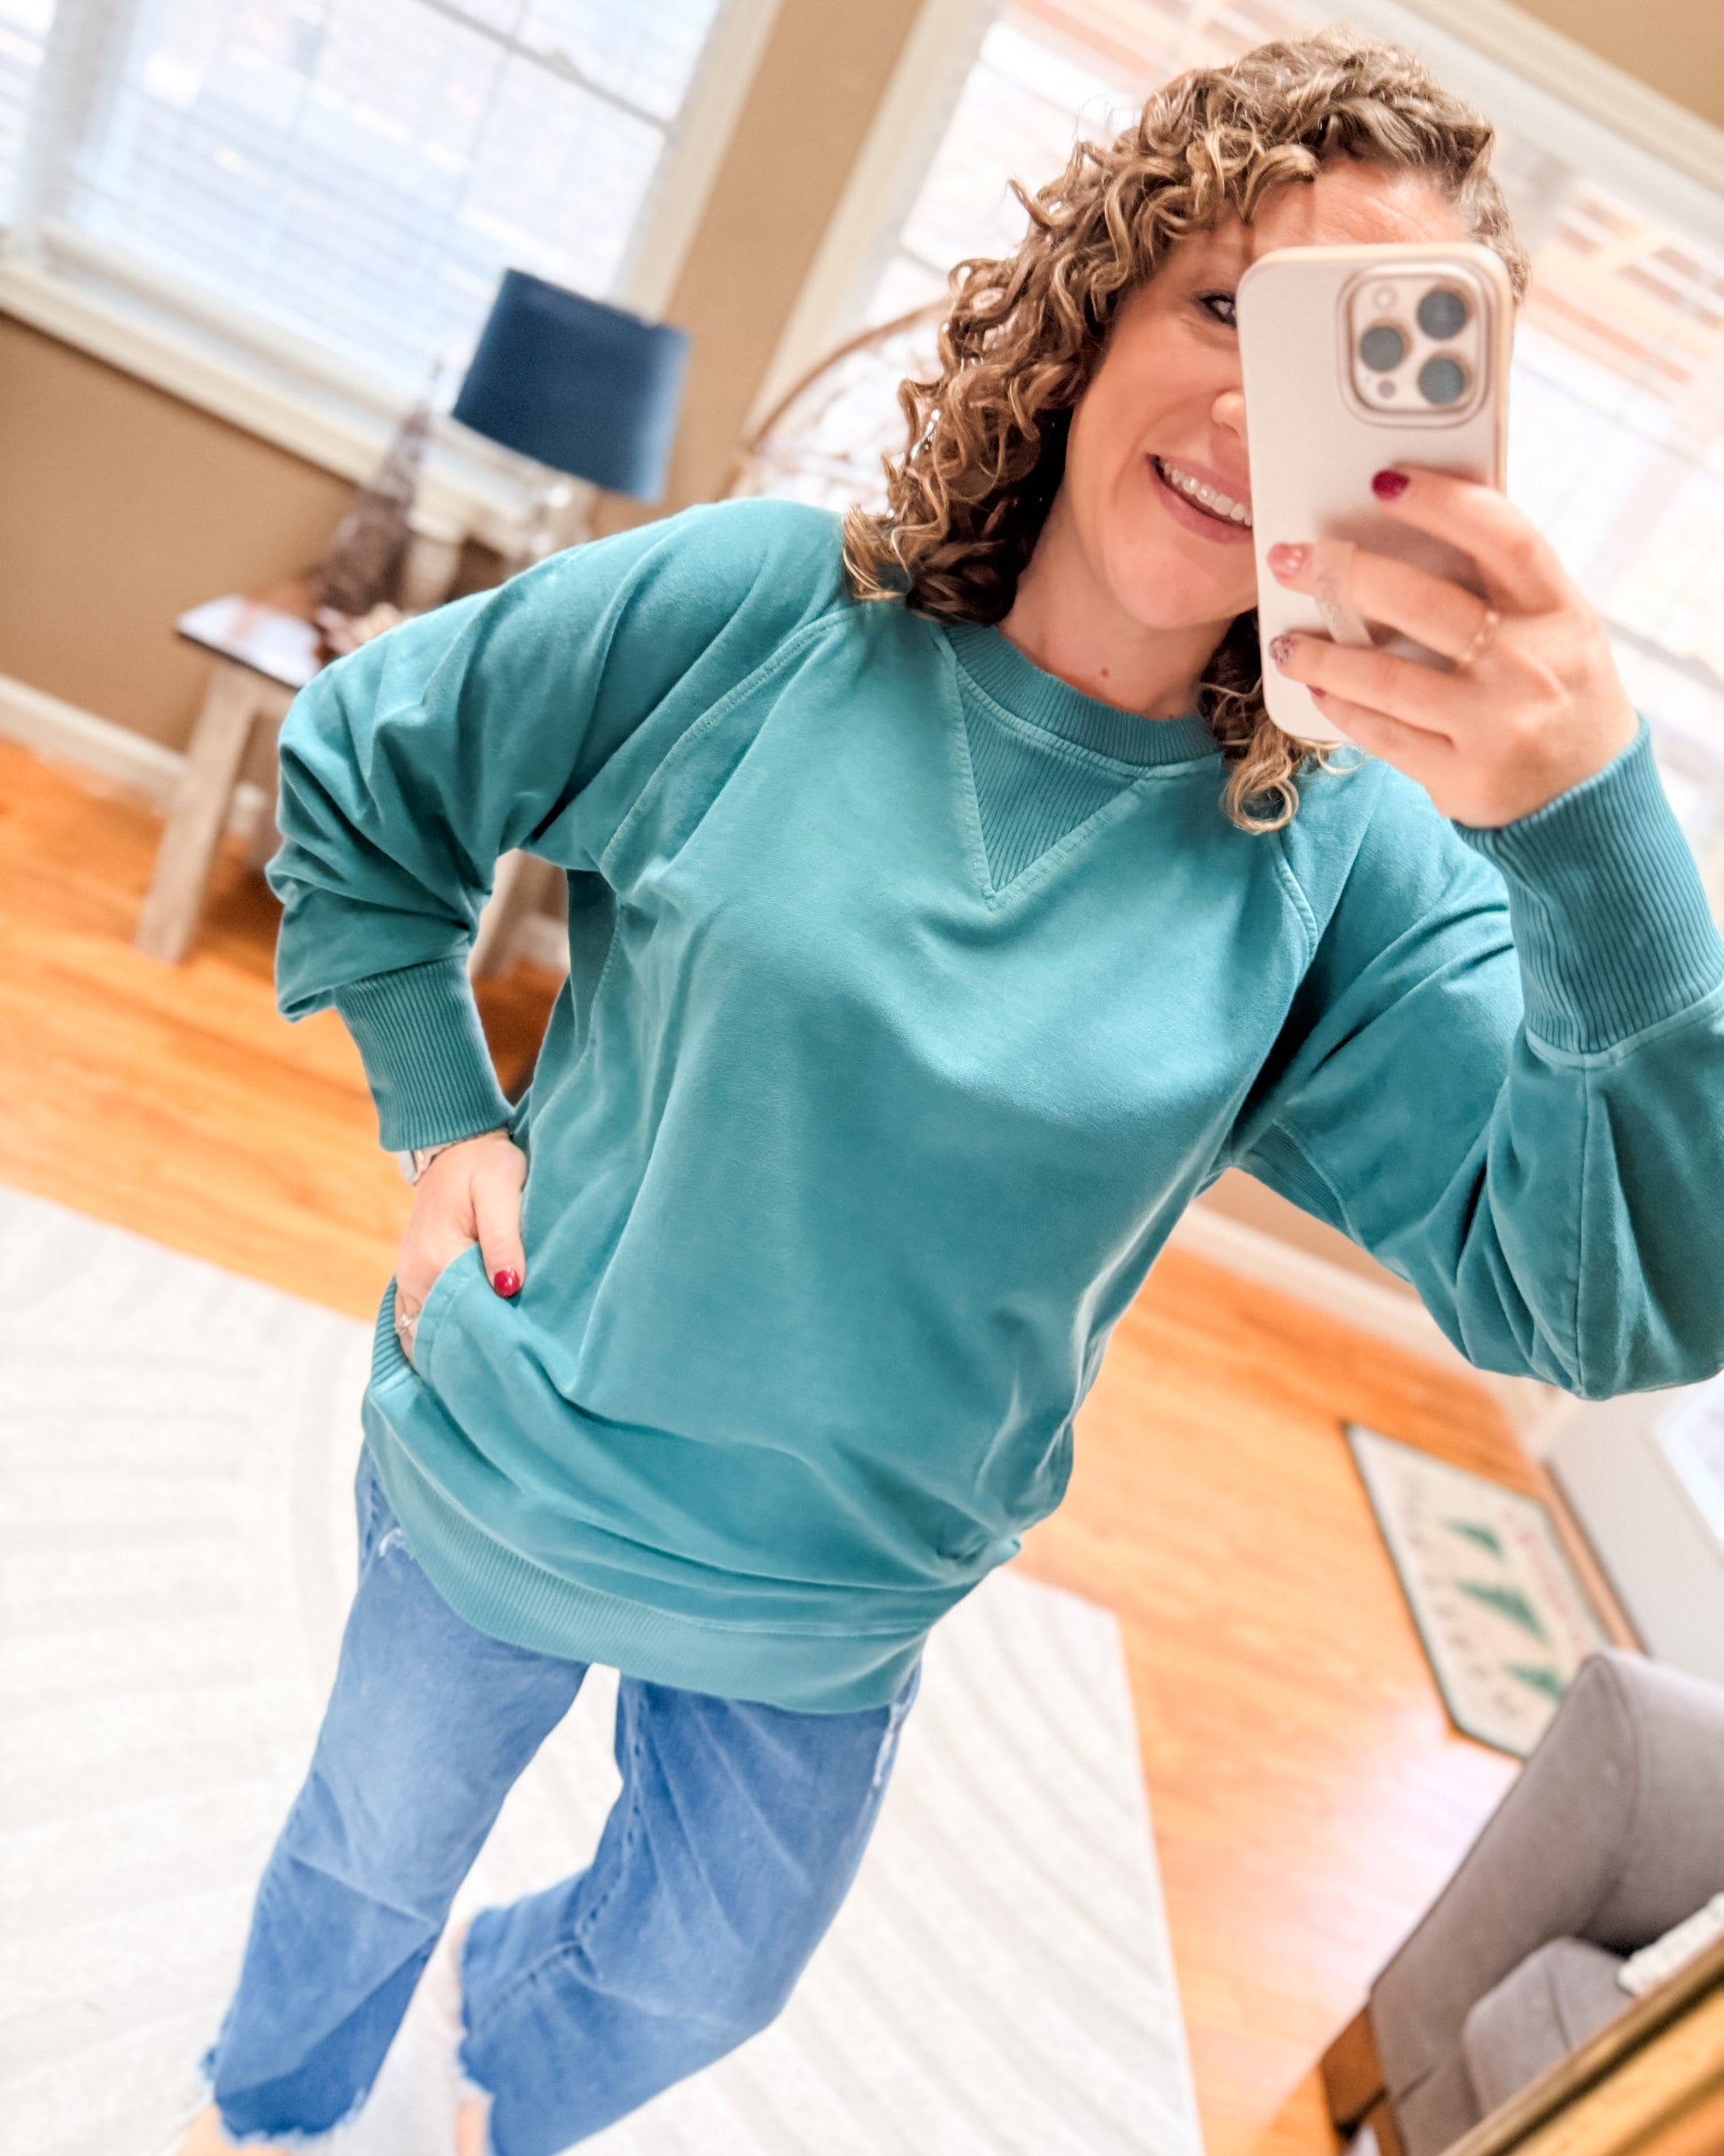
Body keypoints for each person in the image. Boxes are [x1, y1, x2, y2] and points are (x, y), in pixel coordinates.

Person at [179, 29, 1724, 2156]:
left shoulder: (1341, 862)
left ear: (1416, 449)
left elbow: (1623, 1304)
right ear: (1095, 304)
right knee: (360, 1863)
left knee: (699, 1974)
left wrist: (1589, 826)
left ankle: (478, 2083)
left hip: (839, 1595)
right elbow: (369, 763)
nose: (1252, 414)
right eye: (1221, 306)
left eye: (1340, 368)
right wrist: (442, 1111)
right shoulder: (761, 609)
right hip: (514, 1469)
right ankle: (266, 2113)